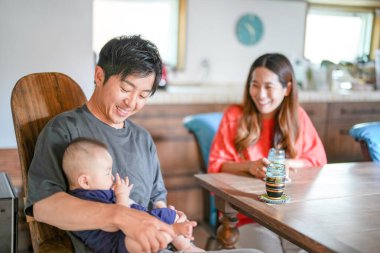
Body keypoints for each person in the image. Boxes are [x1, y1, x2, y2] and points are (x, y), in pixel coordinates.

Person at [25, 34, 263, 253]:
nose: (131, 102)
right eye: (125, 89)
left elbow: (156, 199)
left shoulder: (142, 138)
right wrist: (119, 216)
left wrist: (170, 215)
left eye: (142, 95)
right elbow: (44, 206)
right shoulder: (65, 129)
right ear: (99, 76)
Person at [208, 53, 327, 253]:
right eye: (255, 85)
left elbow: (318, 161)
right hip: (248, 217)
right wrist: (249, 166)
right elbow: (216, 165)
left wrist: (288, 164)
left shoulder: (298, 116)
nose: (261, 94)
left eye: (269, 87)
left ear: (287, 88)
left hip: (293, 216)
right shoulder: (234, 116)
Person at [62, 137, 204, 252]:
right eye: (107, 173)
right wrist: (122, 196)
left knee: (167, 215)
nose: (112, 177)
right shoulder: (84, 201)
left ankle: (186, 246)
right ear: (85, 181)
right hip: (118, 243)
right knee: (145, 239)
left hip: (131, 232)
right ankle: (176, 235)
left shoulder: (97, 192)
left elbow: (132, 209)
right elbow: (115, 222)